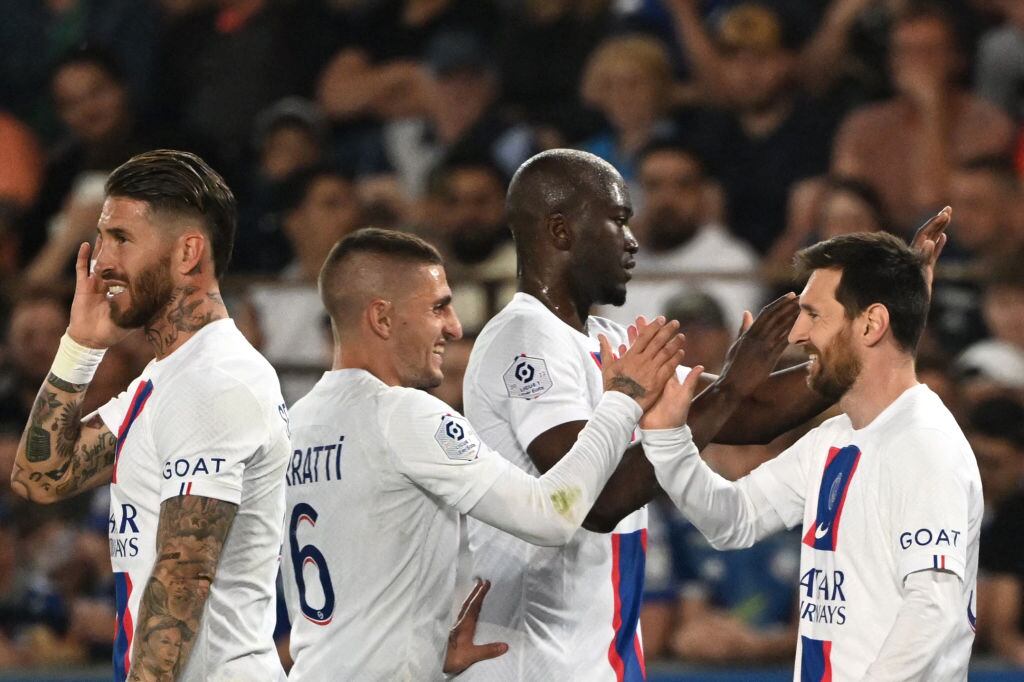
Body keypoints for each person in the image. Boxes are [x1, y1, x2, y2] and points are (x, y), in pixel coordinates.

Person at [461, 149, 950, 680]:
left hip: (598, 657)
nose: (633, 241)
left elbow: (754, 410)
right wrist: (731, 388)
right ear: (561, 232)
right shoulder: (523, 342)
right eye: (619, 222)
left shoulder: (612, 341)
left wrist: (883, 335)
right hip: (530, 662)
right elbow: (590, 501)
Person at [281, 227, 702, 680]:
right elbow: (551, 516)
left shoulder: (298, 423)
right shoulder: (405, 415)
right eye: (438, 307)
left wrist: (423, 652)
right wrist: (622, 401)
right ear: (382, 318)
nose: (454, 327)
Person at [640, 231, 982, 679]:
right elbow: (733, 520)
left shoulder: (925, 445)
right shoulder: (836, 439)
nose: (798, 335)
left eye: (814, 315)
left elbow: (933, 609)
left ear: (871, 324)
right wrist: (668, 439)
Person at [9, 149, 291, 681]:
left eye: (121, 238)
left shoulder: (215, 381)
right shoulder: (167, 379)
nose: (101, 261)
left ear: (188, 253)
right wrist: (79, 347)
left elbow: (185, 575)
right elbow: (40, 478)